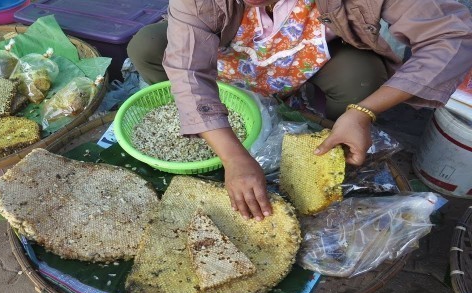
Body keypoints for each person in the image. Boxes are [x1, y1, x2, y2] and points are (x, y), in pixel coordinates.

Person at [127, 0, 472, 221]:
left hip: (306, 56)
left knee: (361, 80)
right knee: (150, 45)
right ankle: (217, 113)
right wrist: (234, 158)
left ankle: (333, 141)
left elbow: (453, 37)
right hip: (232, 58)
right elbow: (188, 70)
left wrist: (362, 112)